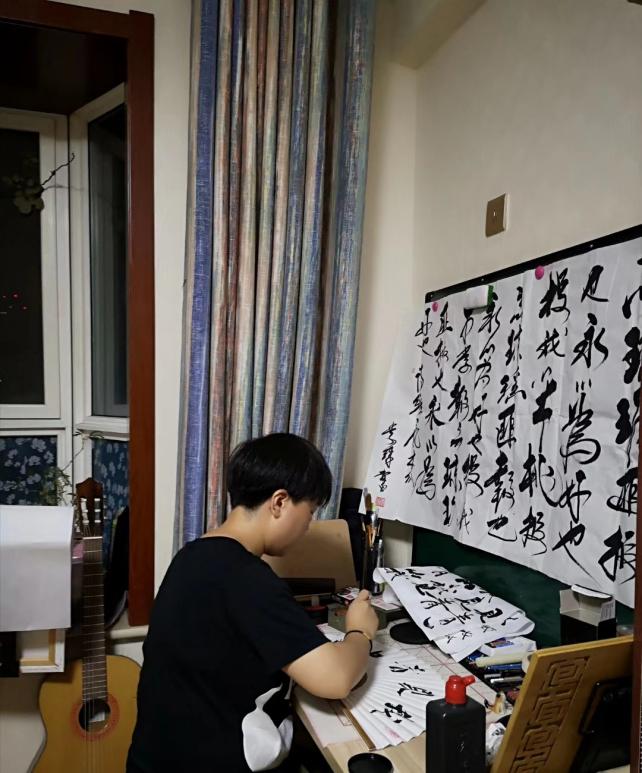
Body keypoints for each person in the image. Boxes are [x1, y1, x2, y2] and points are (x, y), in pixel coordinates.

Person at [127, 432, 378, 772]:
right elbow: (335, 679)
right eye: (309, 512)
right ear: (279, 502)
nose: (308, 526)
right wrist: (360, 631)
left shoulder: (192, 556)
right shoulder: (246, 578)